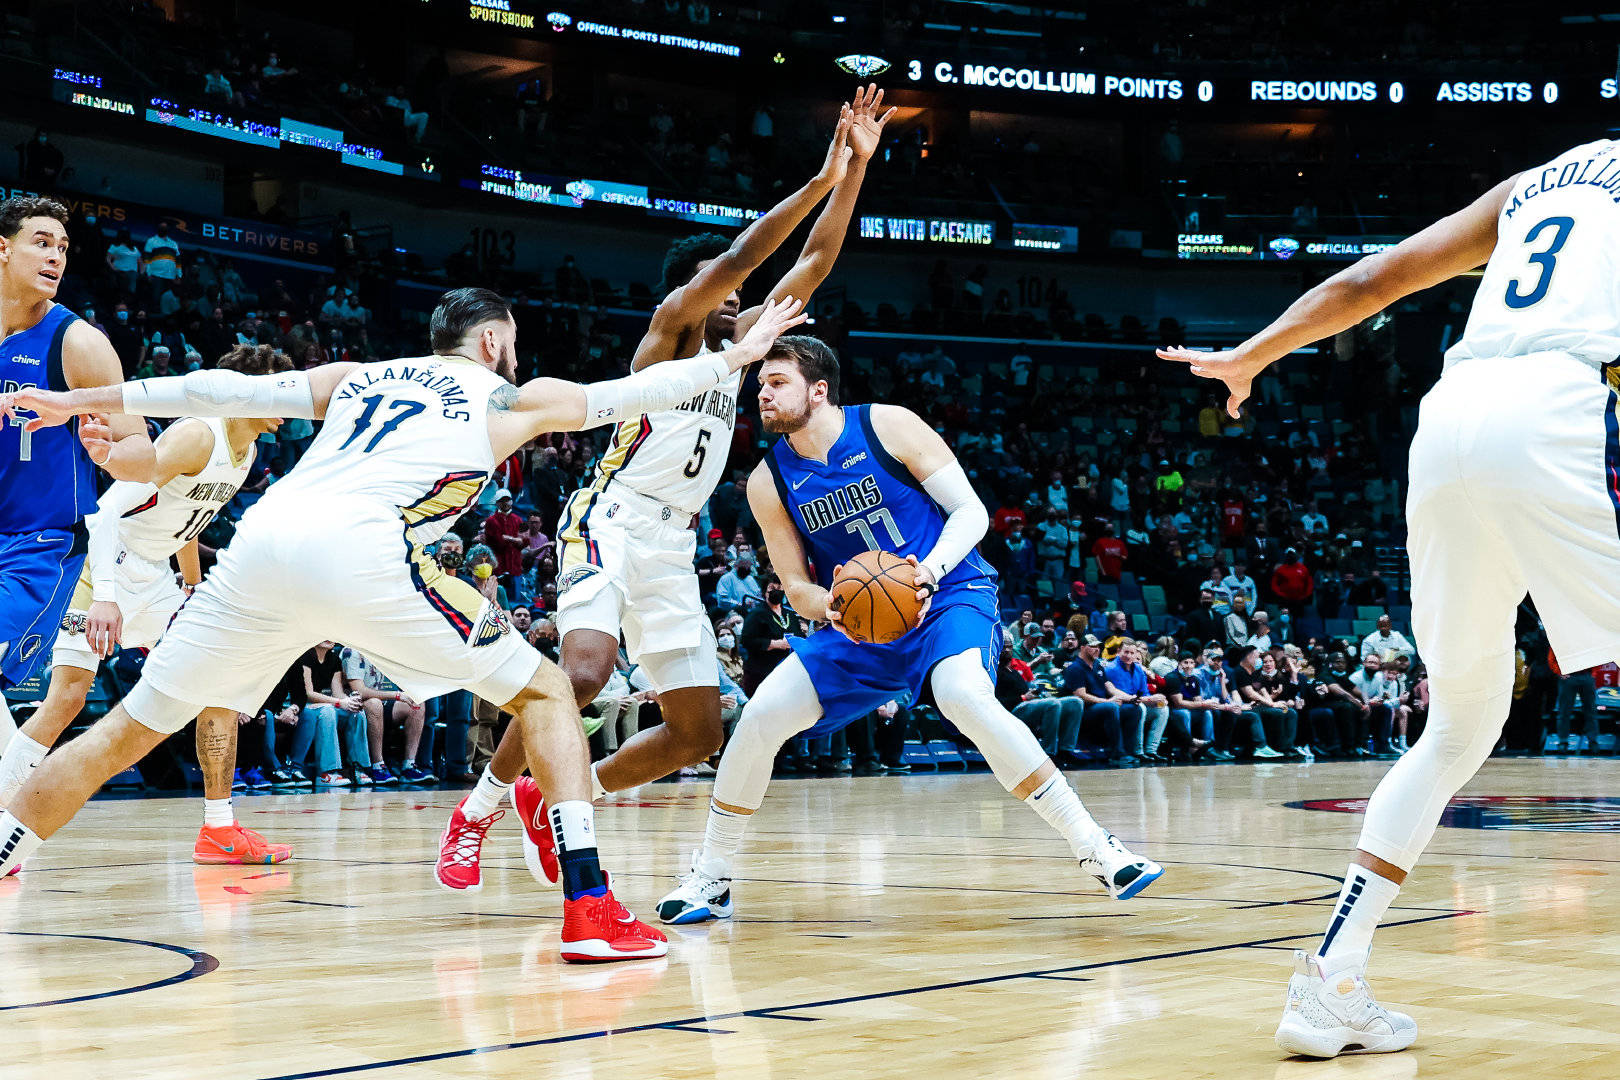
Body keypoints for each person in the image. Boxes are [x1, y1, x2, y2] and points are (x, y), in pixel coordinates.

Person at [0, 286, 806, 961]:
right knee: (551, 692)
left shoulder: (362, 373)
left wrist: (77, 400)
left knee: (121, 735)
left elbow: (221, 389)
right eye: (513, 341)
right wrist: (736, 355)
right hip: (365, 549)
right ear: (492, 340)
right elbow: (626, 398)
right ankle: (590, 908)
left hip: (265, 544)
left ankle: (8, 848)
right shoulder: (511, 397)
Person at [1160, 143, 1620, 1055]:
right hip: (1563, 406)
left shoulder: (1541, 180)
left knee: (1456, 726)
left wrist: (1255, 353)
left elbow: (1380, 277)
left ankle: (1331, 980)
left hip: (1451, 418)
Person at [447, 89, 895, 888]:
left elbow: (815, 265)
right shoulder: (669, 336)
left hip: (672, 539)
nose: (733, 295)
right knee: (581, 674)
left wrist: (855, 169)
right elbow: (742, 259)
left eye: (734, 294)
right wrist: (820, 176)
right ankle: (479, 807)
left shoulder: (742, 350)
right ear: (689, 294)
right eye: (718, 287)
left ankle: (561, 798)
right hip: (609, 519)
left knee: (697, 731)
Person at [654, 334, 1163, 925]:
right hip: (860, 623)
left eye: (776, 383)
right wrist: (831, 608)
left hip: (947, 593)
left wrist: (928, 573)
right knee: (760, 716)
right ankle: (711, 879)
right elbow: (795, 585)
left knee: (962, 696)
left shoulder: (888, 426)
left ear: (818, 391)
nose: (761, 394)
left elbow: (971, 513)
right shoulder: (769, 480)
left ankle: (1097, 847)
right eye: (760, 384)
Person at [0, 345, 292, 865]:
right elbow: (107, 509)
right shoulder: (198, 434)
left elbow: (188, 520)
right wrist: (106, 598)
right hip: (99, 563)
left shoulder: (244, 453)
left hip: (154, 577)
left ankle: (219, 830)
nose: (288, 398)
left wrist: (191, 585)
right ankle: (6, 821)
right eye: (277, 384)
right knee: (66, 699)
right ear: (242, 389)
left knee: (215, 684)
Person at [0, 197, 154, 831]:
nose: (55, 257)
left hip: (39, 544)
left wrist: (108, 450)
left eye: (62, 247)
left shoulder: (77, 341)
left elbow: (143, 455)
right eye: (41, 242)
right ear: (3, 248)